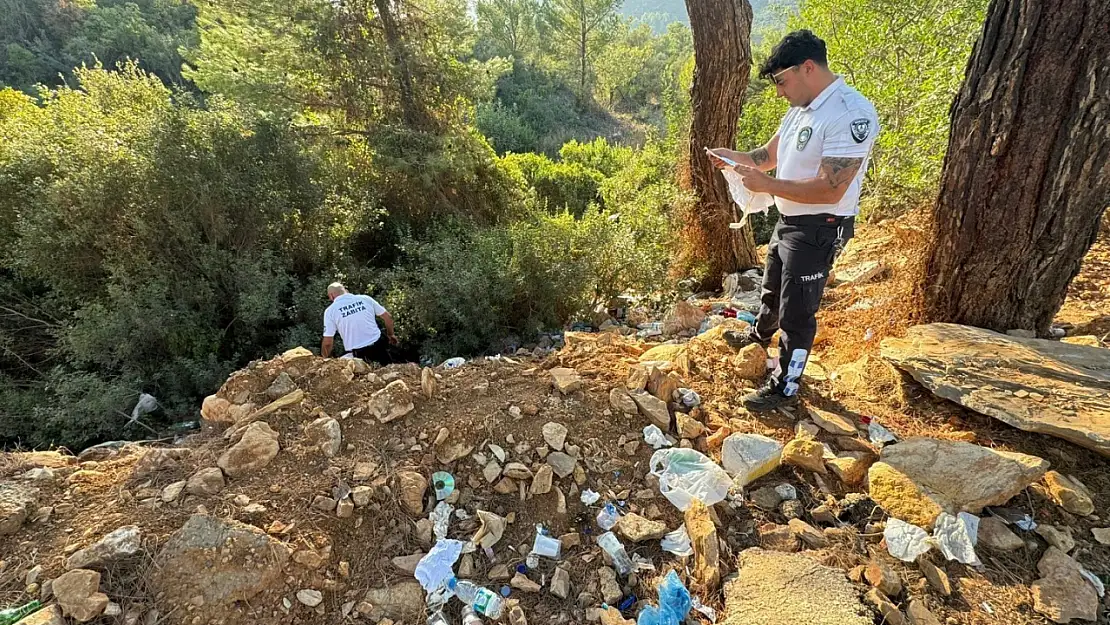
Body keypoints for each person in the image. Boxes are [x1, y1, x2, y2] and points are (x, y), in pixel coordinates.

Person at [707, 29, 879, 412]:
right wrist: (731, 158)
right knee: (772, 289)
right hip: (789, 220)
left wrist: (767, 183)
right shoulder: (800, 110)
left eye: (783, 82)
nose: (780, 91)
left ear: (807, 68)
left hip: (822, 224)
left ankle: (785, 386)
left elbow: (830, 188)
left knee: (798, 309)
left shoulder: (850, 114)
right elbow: (765, 156)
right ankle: (757, 337)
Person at [320, 282, 398, 363]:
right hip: (379, 345)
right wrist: (390, 334)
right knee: (389, 370)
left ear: (331, 296)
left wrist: (323, 360)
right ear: (345, 291)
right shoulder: (365, 299)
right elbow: (388, 318)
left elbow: (327, 343)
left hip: (359, 354)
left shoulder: (330, 311)